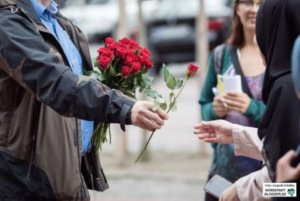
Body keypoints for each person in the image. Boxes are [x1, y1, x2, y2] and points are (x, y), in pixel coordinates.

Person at [0, 0, 168, 200]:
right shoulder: (8, 23)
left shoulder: (61, 24)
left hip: (67, 177)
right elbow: (57, 82)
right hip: (26, 182)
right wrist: (123, 107)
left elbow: (78, 87)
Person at [196, 0, 300, 199]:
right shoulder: (221, 54)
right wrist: (237, 134)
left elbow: (288, 188)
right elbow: (281, 148)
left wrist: (240, 190)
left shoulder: (286, 88)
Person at [199, 0, 265, 199]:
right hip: (224, 176)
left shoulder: (281, 58)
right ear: (236, 7)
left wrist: (252, 107)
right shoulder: (221, 55)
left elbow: (288, 121)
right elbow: (204, 107)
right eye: (247, 2)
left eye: (261, 3)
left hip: (266, 180)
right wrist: (215, 110)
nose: (254, 9)